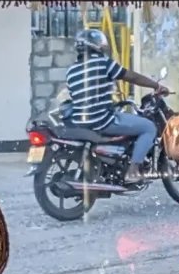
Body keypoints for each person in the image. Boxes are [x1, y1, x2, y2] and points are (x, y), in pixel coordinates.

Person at [60, 28, 162, 169]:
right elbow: (132, 77)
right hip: (101, 120)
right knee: (149, 127)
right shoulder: (103, 62)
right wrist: (156, 85)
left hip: (79, 122)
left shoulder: (71, 71)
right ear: (97, 45)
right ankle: (133, 170)